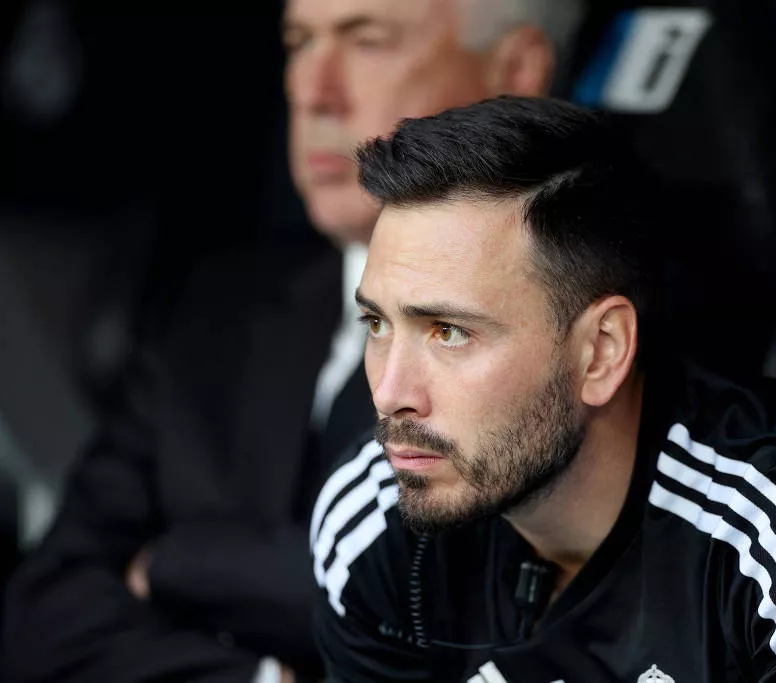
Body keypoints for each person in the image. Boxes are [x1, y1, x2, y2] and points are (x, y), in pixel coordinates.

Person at [1, 2, 584, 682]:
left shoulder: (584, 337)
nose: (313, 90)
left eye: (368, 41)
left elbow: (478, 624)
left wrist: (182, 561)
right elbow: (41, 612)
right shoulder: (217, 309)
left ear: (515, 72)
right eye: (299, 43)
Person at [311, 96, 776, 682]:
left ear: (600, 352)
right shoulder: (371, 521)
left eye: (449, 332)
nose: (391, 391)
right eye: (375, 323)